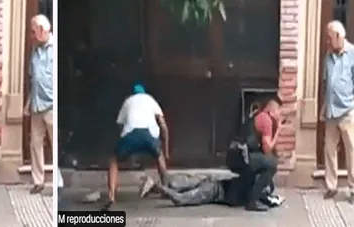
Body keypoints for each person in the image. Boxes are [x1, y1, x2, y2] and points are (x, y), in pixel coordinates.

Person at [103, 83, 170, 211]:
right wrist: (165, 150)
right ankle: (166, 189)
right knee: (159, 156)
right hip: (150, 135)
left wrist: (125, 149)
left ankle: (111, 195)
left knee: (114, 160)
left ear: (132, 94)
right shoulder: (151, 100)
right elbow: (163, 125)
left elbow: (120, 126)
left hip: (130, 134)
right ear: (144, 92)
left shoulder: (127, 101)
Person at [226, 95, 283, 211]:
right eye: (278, 111)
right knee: (272, 164)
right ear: (271, 110)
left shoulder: (257, 114)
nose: (279, 115)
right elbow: (267, 149)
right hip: (242, 156)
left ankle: (248, 195)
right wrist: (278, 131)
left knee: (267, 163)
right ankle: (252, 201)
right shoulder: (266, 120)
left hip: (237, 155)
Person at [322, 20, 354, 203]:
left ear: (339, 37)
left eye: (329, 38)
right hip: (331, 111)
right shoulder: (328, 56)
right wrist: (324, 106)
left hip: (348, 110)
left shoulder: (352, 54)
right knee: (329, 149)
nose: (328, 42)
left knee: (352, 151)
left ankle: (353, 189)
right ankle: (331, 186)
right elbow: (326, 83)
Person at [25, 14, 54, 194]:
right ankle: (38, 181)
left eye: (34, 32)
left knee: (54, 143)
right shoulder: (35, 51)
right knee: (35, 144)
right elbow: (33, 79)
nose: (32, 36)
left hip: (51, 106)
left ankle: (57, 182)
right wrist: (28, 103)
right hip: (36, 105)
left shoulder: (54, 49)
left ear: (43, 31)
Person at [157, 174, 284, 208]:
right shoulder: (254, 191)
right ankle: (157, 187)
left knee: (179, 186)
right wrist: (275, 199)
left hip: (215, 181)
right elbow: (270, 200)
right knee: (181, 199)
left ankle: (159, 187)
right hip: (214, 190)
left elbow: (270, 199)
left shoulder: (251, 181)